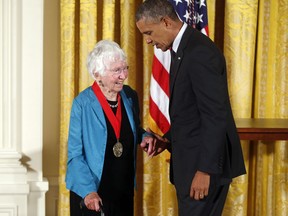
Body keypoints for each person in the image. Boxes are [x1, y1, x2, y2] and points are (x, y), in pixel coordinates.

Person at [136, 0, 246, 215]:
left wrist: (205, 170)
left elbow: (215, 115)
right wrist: (167, 139)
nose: (148, 40)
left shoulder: (198, 52)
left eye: (149, 32)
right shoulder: (183, 48)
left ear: (166, 22)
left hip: (203, 169)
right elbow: (190, 112)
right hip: (191, 163)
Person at [65, 40, 155, 216]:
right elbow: (75, 155)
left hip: (123, 191)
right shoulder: (82, 104)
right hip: (93, 195)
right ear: (97, 74)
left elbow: (132, 130)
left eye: (125, 68)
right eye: (117, 71)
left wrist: (144, 136)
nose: (124, 75)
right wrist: (88, 191)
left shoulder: (129, 96)